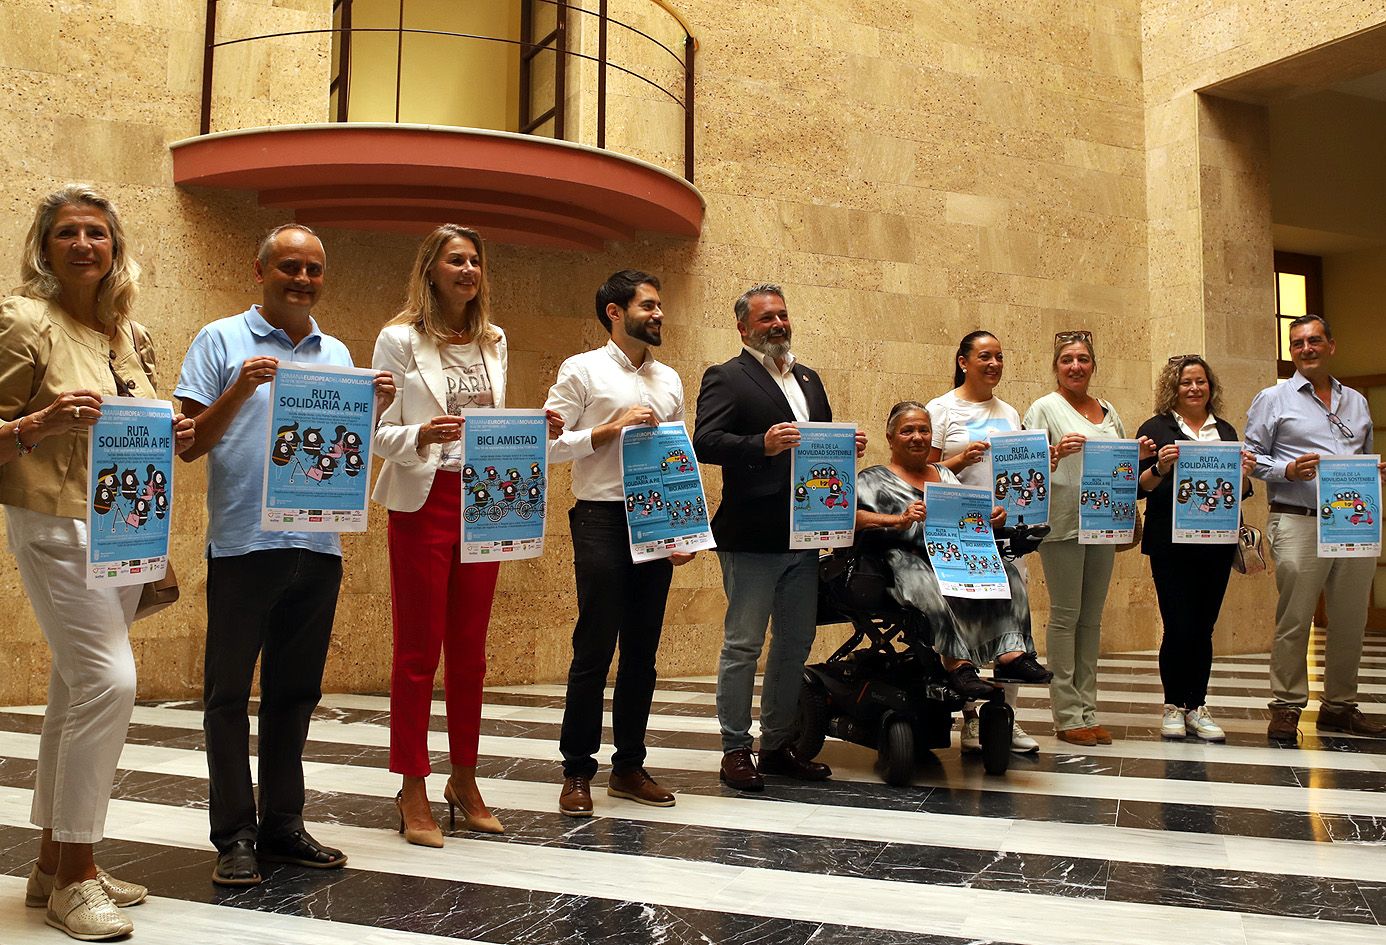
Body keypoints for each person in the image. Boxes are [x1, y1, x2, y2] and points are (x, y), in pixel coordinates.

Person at [0, 184, 194, 941]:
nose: (85, 244)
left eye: (98, 233)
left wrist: (169, 430)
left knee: (72, 690)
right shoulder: (24, 320)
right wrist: (37, 423)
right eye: (69, 233)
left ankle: (53, 861)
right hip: (51, 521)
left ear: (116, 248)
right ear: (44, 247)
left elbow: (141, 425)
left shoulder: (129, 335)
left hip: (124, 526)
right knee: (110, 682)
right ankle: (77, 875)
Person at [175, 224, 395, 886]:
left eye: (314, 269)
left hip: (319, 543)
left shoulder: (338, 352)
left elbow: (349, 450)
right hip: (243, 542)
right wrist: (240, 388)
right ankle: (234, 833)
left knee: (295, 694)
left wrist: (374, 407)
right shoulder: (219, 340)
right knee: (227, 695)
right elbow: (189, 443)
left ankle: (282, 824)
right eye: (290, 267)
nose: (302, 278)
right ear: (260, 270)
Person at [372, 224, 562, 845]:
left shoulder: (494, 340)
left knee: (472, 655)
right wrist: (421, 436)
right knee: (417, 653)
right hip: (422, 500)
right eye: (456, 260)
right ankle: (412, 786)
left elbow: (492, 425)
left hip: (487, 504)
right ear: (430, 269)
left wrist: (538, 425)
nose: (468, 270)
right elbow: (373, 434)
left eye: (475, 260)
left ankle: (464, 776)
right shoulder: (399, 340)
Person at [693, 283, 866, 792]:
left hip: (807, 533)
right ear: (744, 327)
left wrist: (845, 448)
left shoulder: (809, 379)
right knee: (743, 645)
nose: (778, 325)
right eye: (766, 318)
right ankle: (734, 749)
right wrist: (760, 444)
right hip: (751, 534)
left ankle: (777, 745)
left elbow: (820, 449)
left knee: (795, 643)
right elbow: (705, 440)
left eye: (783, 316)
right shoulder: (727, 376)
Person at [543, 269, 693, 816]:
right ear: (614, 311)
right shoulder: (580, 370)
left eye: (659, 306)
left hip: (656, 521)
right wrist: (611, 429)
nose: (658, 314)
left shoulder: (671, 379)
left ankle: (629, 766)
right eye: (648, 305)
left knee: (643, 653)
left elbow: (676, 458)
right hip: (602, 518)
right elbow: (550, 446)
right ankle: (577, 771)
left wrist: (683, 526)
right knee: (595, 646)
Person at [1245, 315, 1386, 742]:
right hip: (1297, 519)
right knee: (1296, 618)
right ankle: (1286, 706)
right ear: (1292, 351)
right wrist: (1287, 469)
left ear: (1331, 346)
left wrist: (1374, 471)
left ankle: (1340, 707)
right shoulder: (1272, 398)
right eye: (1298, 343)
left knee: (1350, 618)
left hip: (1352, 522)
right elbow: (1249, 458)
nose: (1306, 348)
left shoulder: (1357, 402)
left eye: (1314, 341)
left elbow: (1364, 454)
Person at [854, 403, 1049, 711]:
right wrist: (897, 520)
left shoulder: (944, 473)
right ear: (891, 439)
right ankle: (957, 663)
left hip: (955, 554)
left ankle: (1011, 654)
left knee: (1007, 571)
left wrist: (991, 517)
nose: (917, 437)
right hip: (904, 557)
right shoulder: (872, 479)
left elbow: (966, 514)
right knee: (926, 578)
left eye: (923, 430)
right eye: (907, 431)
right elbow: (849, 518)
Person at [1023, 331, 1153, 747]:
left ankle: (1088, 710)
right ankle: (1066, 714)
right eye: (1067, 360)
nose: (1075, 366)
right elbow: (1024, 465)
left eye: (1082, 359)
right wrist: (1055, 452)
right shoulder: (1044, 408)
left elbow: (1119, 466)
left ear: (1093, 366)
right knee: (1065, 616)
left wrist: (1142, 455)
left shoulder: (1108, 410)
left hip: (1104, 523)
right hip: (1062, 525)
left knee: (1091, 620)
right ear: (1056, 367)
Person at [925, 330, 1041, 755]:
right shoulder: (941, 409)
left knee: (1013, 628)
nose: (993, 364)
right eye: (984, 356)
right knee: (968, 625)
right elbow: (923, 467)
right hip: (960, 536)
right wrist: (960, 459)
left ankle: (1006, 719)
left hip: (1006, 534)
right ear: (963, 361)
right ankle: (971, 719)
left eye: (999, 357)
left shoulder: (1009, 413)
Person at [1136, 356, 1256, 742]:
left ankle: (1197, 705)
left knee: (1204, 628)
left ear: (1210, 387)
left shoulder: (1224, 430)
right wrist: (1160, 467)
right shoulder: (1155, 429)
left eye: (1200, 382)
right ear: (1174, 387)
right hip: (1170, 545)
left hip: (1216, 545)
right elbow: (1139, 488)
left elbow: (1238, 491)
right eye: (1186, 382)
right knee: (1178, 625)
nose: (1193, 388)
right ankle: (1173, 705)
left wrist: (1245, 476)